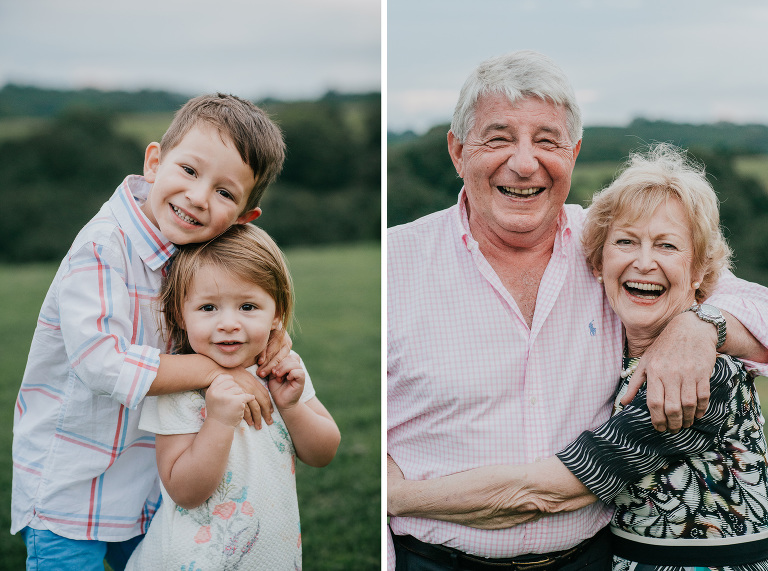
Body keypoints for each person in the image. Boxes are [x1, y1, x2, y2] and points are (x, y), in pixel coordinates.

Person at [387, 50, 768, 570]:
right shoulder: (396, 261)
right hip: (433, 561)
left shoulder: (610, 251)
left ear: (574, 152)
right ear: (456, 151)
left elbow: (549, 491)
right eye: (499, 138)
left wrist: (702, 326)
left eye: (547, 141)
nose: (524, 163)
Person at [12, 93, 294, 571]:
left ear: (243, 219)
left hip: (146, 487)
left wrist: (268, 342)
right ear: (154, 161)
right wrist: (217, 373)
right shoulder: (104, 247)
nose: (199, 196)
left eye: (225, 192)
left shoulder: (192, 256)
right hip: (70, 488)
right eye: (188, 170)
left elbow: (229, 318)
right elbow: (102, 362)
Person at [125, 223, 340, 570]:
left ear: (277, 315)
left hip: (269, 556)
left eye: (248, 307)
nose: (228, 323)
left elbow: (323, 452)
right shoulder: (177, 388)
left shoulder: (281, 370)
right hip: (194, 561)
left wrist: (292, 406)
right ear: (181, 314)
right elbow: (185, 492)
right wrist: (219, 421)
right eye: (208, 308)